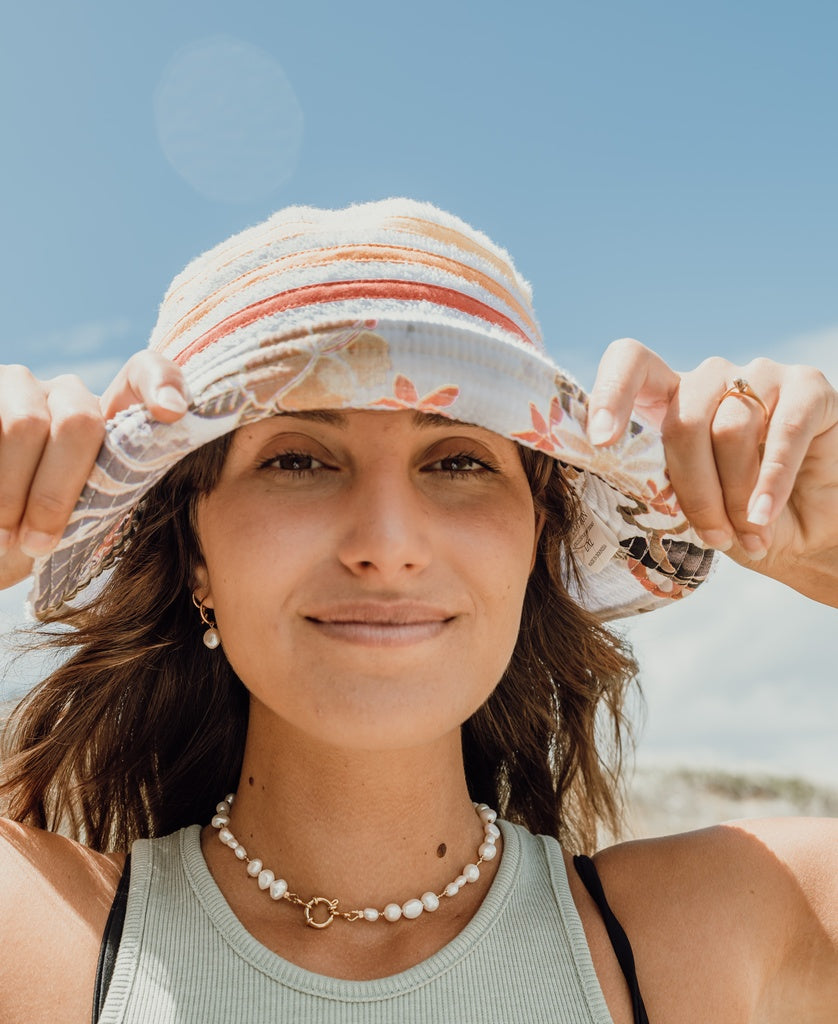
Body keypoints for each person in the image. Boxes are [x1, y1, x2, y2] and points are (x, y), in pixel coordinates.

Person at [0, 199, 835, 1024]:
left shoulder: (723, 928)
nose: (387, 544)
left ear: (536, 542)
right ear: (196, 553)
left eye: (460, 461)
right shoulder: (39, 935)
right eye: (296, 459)